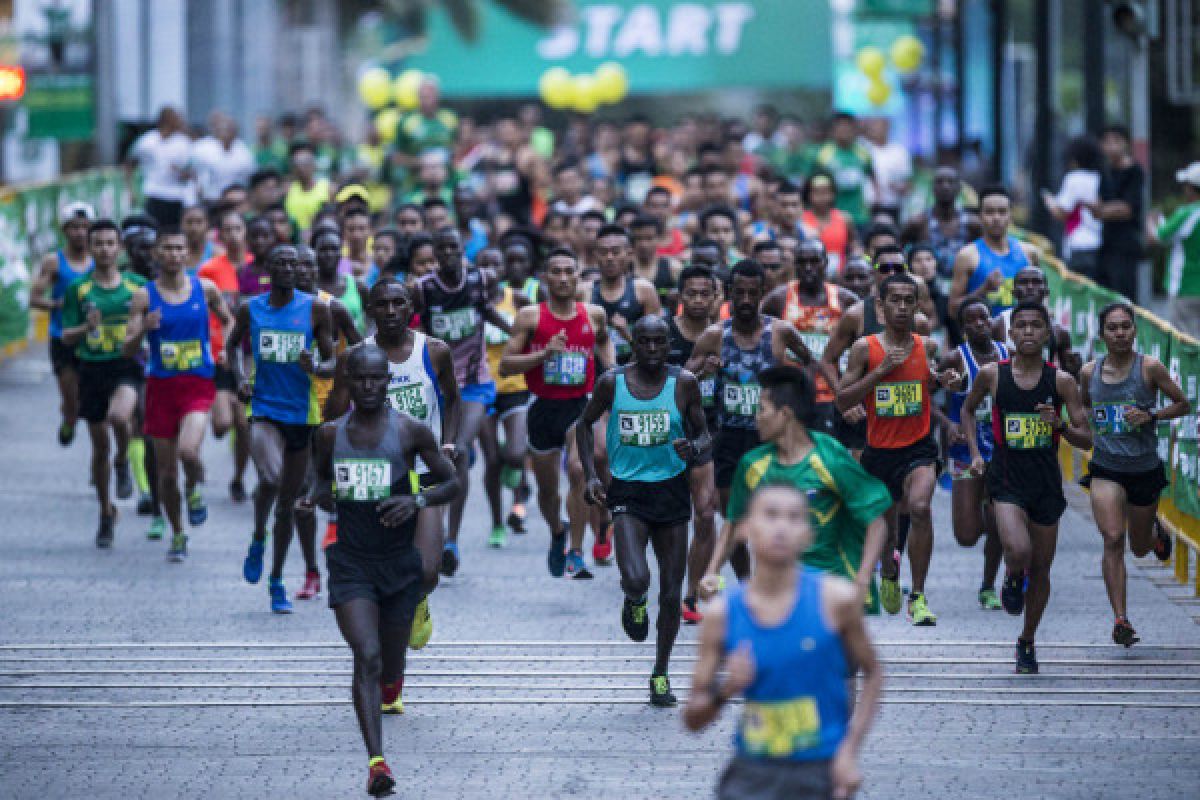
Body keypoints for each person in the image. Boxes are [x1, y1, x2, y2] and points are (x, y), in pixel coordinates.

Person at [310, 344, 459, 798]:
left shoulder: (411, 431)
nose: (369, 386)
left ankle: (395, 677)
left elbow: (450, 481)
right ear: (348, 383)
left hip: (399, 566)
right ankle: (377, 762)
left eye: (378, 379)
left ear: (388, 382)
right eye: (360, 379)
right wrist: (315, 497)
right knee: (367, 655)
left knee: (391, 661)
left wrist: (414, 500)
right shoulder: (330, 434)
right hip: (352, 563)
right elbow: (319, 481)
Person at [684, 483, 883, 800]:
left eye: (794, 518)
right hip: (751, 775)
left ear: (807, 534)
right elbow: (692, 719)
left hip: (820, 771)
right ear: (745, 529)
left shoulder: (836, 600)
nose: (781, 527)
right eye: (771, 515)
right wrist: (727, 689)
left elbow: (873, 672)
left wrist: (849, 750)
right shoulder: (723, 614)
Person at [576, 316, 711, 706]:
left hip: (671, 493)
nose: (652, 350)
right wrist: (590, 476)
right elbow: (583, 425)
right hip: (628, 492)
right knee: (636, 577)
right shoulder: (612, 383)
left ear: (669, 344)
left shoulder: (683, 383)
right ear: (632, 344)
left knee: (670, 593)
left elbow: (703, 433)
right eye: (644, 342)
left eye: (659, 343)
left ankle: (661, 673)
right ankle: (633, 600)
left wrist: (694, 447)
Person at [326, 277, 460, 653]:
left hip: (425, 471)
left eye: (398, 303)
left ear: (410, 308)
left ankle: (418, 601)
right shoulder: (357, 357)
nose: (390, 312)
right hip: (375, 476)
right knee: (379, 571)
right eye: (382, 305)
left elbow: (452, 397)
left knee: (429, 571)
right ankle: (387, 665)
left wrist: (447, 442)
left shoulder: (434, 351)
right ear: (370, 311)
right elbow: (332, 416)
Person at [700, 365, 892, 619]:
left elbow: (877, 521)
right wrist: (712, 571)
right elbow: (734, 524)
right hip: (775, 591)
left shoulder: (829, 457)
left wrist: (863, 579)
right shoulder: (752, 464)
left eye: (761, 410)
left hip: (831, 589)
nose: (755, 417)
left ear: (785, 414)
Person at [961, 301, 1092, 674]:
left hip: (1046, 484)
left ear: (1047, 334)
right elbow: (968, 410)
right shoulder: (992, 375)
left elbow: (1086, 439)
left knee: (1042, 568)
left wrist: (1060, 426)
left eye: (1037, 325)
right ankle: (1011, 575)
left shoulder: (1062, 381)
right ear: (1011, 334)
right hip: (1005, 478)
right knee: (1017, 549)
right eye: (1021, 326)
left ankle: (1027, 641)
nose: (1029, 332)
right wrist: (974, 452)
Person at [838, 273, 960, 625]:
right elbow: (843, 399)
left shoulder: (927, 346)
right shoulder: (865, 348)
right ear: (881, 306)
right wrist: (880, 372)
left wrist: (945, 381)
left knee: (920, 506)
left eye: (910, 300)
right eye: (896, 300)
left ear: (918, 305)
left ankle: (918, 596)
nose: (903, 307)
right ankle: (890, 573)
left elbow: (934, 378)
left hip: (919, 448)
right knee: (888, 536)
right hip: (879, 453)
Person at [226, 243, 335, 612]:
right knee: (271, 481)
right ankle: (258, 535)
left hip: (301, 415)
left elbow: (332, 357)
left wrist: (316, 366)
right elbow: (231, 347)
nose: (288, 268)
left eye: (294, 262)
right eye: (281, 263)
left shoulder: (316, 308)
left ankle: (276, 581)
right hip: (265, 409)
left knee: (287, 505)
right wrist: (240, 379)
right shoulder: (250, 308)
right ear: (268, 269)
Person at [687, 259, 811, 580]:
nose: (744, 301)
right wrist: (705, 370)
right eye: (738, 293)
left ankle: (780, 578)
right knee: (735, 518)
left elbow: (813, 365)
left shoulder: (780, 332)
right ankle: (746, 584)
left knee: (776, 514)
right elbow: (683, 381)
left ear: (762, 294)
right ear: (727, 293)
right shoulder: (715, 336)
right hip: (729, 439)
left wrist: (796, 403)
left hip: (770, 440)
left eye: (752, 294)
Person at [498, 247, 614, 578]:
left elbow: (603, 340)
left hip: (579, 406)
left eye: (569, 271)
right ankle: (557, 532)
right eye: (556, 272)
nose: (563, 278)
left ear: (579, 277)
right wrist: (543, 356)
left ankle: (576, 551)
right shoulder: (530, 317)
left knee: (578, 471)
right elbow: (506, 366)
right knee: (549, 492)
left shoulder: (593, 314)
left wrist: (612, 368)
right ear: (545, 278)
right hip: (541, 407)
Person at [1079, 302, 1188, 647]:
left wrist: (1151, 416)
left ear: (1135, 331)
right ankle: (1121, 619)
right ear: (1101, 334)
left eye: (1126, 326)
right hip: (1106, 468)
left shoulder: (1149, 369)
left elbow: (1183, 403)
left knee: (1139, 548)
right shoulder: (1088, 373)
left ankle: (1154, 532)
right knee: (1113, 538)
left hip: (1143, 469)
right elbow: (1085, 406)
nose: (1120, 333)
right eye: (1112, 328)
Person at [123, 227, 233, 561]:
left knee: (188, 451)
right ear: (157, 254)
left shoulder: (205, 288)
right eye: (166, 248)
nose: (173, 254)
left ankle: (196, 489)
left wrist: (223, 349)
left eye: (178, 248)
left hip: (197, 384)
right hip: (161, 388)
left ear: (187, 254)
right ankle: (178, 533)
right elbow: (127, 348)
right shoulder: (144, 296)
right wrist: (143, 327)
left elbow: (228, 321)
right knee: (166, 474)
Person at [413, 227, 509, 576]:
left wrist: (518, 334)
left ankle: (451, 539)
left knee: (459, 451)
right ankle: (430, 529)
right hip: (435, 383)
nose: (450, 253)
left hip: (474, 382)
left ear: (463, 249)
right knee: (433, 457)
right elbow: (415, 326)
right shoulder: (423, 288)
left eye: (455, 246)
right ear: (436, 253)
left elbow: (487, 312)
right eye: (443, 248)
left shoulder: (482, 278)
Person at [59, 219, 145, 546]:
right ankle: (105, 512)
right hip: (92, 370)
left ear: (120, 247)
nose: (105, 249)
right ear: (91, 248)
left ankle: (123, 461)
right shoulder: (78, 290)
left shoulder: (137, 285)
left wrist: (146, 328)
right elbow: (66, 337)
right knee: (99, 448)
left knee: (120, 417)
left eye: (111, 243)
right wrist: (85, 328)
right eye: (99, 244)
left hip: (126, 366)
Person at [941, 299, 1008, 609]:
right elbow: (924, 397)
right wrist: (947, 423)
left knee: (998, 522)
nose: (980, 324)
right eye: (972, 321)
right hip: (965, 451)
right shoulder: (955, 358)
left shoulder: (1009, 355)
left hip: (1003, 452)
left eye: (985, 318)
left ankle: (988, 585)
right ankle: (985, 513)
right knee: (966, 535)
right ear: (963, 328)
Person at [666, 266, 721, 624]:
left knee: (704, 514)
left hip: (711, 433)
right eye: (692, 294)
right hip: (668, 436)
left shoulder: (728, 335)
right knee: (671, 520)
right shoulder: (662, 334)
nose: (699, 300)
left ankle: (691, 594)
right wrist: (700, 375)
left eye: (706, 294)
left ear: (716, 298)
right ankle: (666, 589)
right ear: (680, 297)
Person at [763, 239, 859, 436]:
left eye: (815, 261)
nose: (808, 268)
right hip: (791, 393)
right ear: (794, 265)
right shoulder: (778, 299)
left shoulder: (845, 300)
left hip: (831, 394)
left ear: (825, 263)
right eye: (802, 262)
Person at [29, 201, 94, 446]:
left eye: (84, 227)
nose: (79, 233)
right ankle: (68, 420)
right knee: (71, 401)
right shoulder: (53, 262)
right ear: (64, 230)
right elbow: (34, 298)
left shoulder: (101, 259)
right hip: (62, 337)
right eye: (73, 227)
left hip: (92, 338)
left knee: (92, 396)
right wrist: (57, 305)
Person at [198, 208, 252, 502]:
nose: (233, 235)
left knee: (243, 424)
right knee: (221, 425)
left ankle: (238, 478)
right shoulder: (209, 269)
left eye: (238, 228)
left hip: (248, 355)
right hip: (219, 352)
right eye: (227, 230)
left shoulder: (258, 268)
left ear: (245, 233)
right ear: (220, 235)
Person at [480, 251, 532, 547]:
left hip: (515, 385)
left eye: (494, 264)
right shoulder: (470, 300)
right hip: (483, 388)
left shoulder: (519, 299)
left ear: (503, 268)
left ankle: (517, 489)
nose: (489, 269)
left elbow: (535, 330)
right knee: (491, 461)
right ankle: (497, 523)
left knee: (514, 455)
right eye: (483, 264)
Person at [948, 186, 1040, 319]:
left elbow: (1043, 298)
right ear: (980, 216)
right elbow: (952, 310)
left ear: (1010, 215)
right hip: (983, 338)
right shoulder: (967, 256)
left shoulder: (1029, 252)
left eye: (1002, 212)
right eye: (989, 212)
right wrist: (983, 290)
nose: (996, 218)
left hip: (1021, 336)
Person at [585, 224, 662, 364]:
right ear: (595, 255)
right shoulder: (584, 292)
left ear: (629, 254)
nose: (609, 258)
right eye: (603, 252)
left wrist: (626, 334)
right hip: (594, 370)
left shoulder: (644, 290)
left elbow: (656, 345)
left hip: (636, 369)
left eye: (615, 252)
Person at [991, 266, 1082, 377]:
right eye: (1023, 282)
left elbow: (1068, 374)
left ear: (1047, 291)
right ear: (1013, 292)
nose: (1030, 287)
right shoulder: (997, 325)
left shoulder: (1059, 331)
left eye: (1036, 282)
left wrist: (1075, 369)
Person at [1091, 125, 1146, 301]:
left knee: (1125, 295)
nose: (1111, 146)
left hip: (1126, 245)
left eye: (1116, 141)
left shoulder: (1134, 172)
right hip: (1106, 243)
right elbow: (1098, 206)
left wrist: (1103, 210)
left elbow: (1128, 208)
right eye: (1107, 141)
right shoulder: (1104, 171)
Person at [1149, 162, 1200, 338]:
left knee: (1186, 343)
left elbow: (1158, 236)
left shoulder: (1188, 213)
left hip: (1186, 288)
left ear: (1192, 189)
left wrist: (1152, 220)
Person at [1042, 135, 1103, 277]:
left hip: (1079, 243)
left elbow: (1062, 212)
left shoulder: (1073, 178)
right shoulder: (1099, 177)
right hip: (1100, 243)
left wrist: (1050, 203)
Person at [128, 107, 194, 227]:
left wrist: (180, 171)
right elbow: (130, 164)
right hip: (154, 193)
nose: (180, 121)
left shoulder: (184, 143)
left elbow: (191, 173)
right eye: (177, 118)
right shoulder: (147, 141)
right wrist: (131, 190)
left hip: (176, 196)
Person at [811, 112, 876, 230]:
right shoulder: (824, 155)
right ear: (833, 130)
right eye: (840, 127)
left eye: (848, 127)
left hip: (860, 215)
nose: (844, 131)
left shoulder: (863, 153)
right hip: (832, 216)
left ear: (854, 130)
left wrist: (875, 199)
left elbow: (872, 176)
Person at [314, 228, 368, 333]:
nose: (329, 254)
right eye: (323, 249)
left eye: (334, 249)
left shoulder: (358, 286)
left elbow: (372, 318)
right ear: (314, 252)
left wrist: (367, 341)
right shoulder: (307, 288)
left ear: (341, 252)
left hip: (355, 347)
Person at [800, 171, 855, 275]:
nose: (821, 196)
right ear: (808, 194)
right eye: (816, 192)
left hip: (840, 276)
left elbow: (854, 246)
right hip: (811, 274)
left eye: (826, 192)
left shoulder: (845, 218)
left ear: (833, 194)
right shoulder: (801, 220)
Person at [631, 214, 681, 311]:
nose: (643, 244)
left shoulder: (673, 268)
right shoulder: (625, 268)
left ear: (658, 238)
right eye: (639, 238)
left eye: (649, 238)